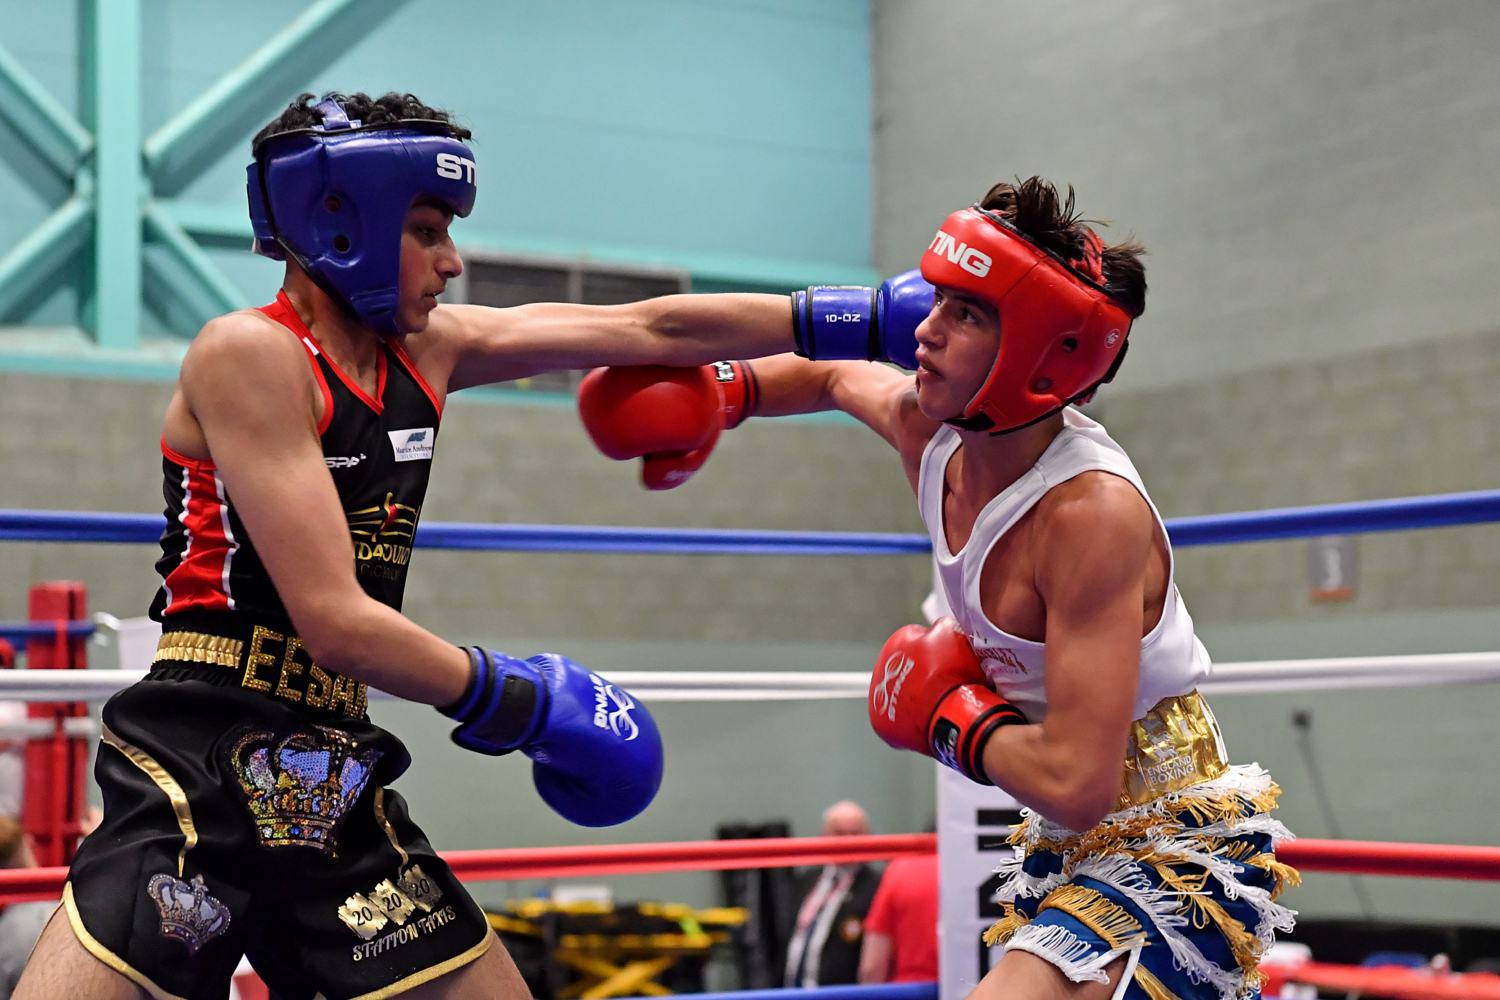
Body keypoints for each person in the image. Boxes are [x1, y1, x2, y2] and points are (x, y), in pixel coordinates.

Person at [14, 91, 800, 1000]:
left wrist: (870, 321)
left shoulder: (426, 352)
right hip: (200, 747)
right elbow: (338, 623)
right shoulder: (249, 354)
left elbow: (654, 330)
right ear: (340, 216)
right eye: (426, 228)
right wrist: (527, 703)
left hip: (328, 761)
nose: (452, 261)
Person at [578, 177, 1299, 1000]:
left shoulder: (1088, 514)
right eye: (940, 300)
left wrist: (950, 717)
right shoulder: (930, 436)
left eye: (966, 313)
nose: (923, 329)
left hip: (1170, 843)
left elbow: (1077, 779)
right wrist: (723, 394)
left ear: (1037, 351)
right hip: (1066, 842)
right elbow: (826, 378)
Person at [782, 802, 881, 989]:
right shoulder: (807, 880)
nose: (847, 841)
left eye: (855, 834)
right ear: (824, 835)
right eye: (840, 833)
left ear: (868, 837)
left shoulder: (876, 887)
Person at [858, 851, 938, 985]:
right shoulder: (976, 871)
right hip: (971, 990)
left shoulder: (903, 870)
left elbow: (872, 967)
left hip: (911, 991)